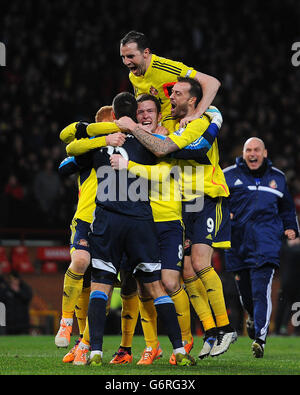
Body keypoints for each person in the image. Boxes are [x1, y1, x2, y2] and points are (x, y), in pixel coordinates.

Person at [115, 77, 237, 358]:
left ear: (193, 100)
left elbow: (197, 144)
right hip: (184, 203)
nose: (172, 98)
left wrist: (161, 141)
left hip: (208, 195)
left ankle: (226, 327)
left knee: (199, 263)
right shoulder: (171, 124)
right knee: (187, 272)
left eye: (178, 94)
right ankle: (210, 330)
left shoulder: (201, 119)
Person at [84, 91, 195, 367]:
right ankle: (179, 350)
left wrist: (99, 135)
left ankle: (95, 352)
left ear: (112, 114)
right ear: (135, 115)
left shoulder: (96, 144)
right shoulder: (151, 142)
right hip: (140, 220)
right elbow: (167, 163)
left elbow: (68, 148)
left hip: (108, 219)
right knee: (156, 288)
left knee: (102, 287)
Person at [55, 106, 125, 365]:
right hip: (86, 220)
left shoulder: (129, 149)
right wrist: (100, 140)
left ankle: (85, 343)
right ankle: (66, 323)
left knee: (102, 287)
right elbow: (63, 166)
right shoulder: (87, 150)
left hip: (118, 223)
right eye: (113, 124)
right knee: (81, 264)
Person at [223, 137, 299, 358]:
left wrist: (291, 227)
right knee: (246, 295)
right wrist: (222, 217)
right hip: (237, 244)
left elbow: (287, 209)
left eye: (257, 150)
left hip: (267, 243)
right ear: (243, 153)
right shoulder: (229, 176)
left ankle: (260, 339)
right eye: (249, 150)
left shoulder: (278, 178)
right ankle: (254, 319)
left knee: (260, 290)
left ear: (264, 153)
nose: (252, 154)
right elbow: (217, 203)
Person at [120, 30, 220, 131]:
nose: (126, 62)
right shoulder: (133, 76)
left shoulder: (166, 68)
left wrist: (196, 114)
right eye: (123, 57)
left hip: (179, 130)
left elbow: (212, 83)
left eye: (130, 56)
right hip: (157, 131)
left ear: (145, 53)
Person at [0, 270, 32, 335]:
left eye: (15, 279)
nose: (13, 281)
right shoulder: (6, 289)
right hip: (10, 322)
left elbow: (27, 298)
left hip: (23, 321)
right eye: (11, 279)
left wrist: (18, 292)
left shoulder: (24, 288)